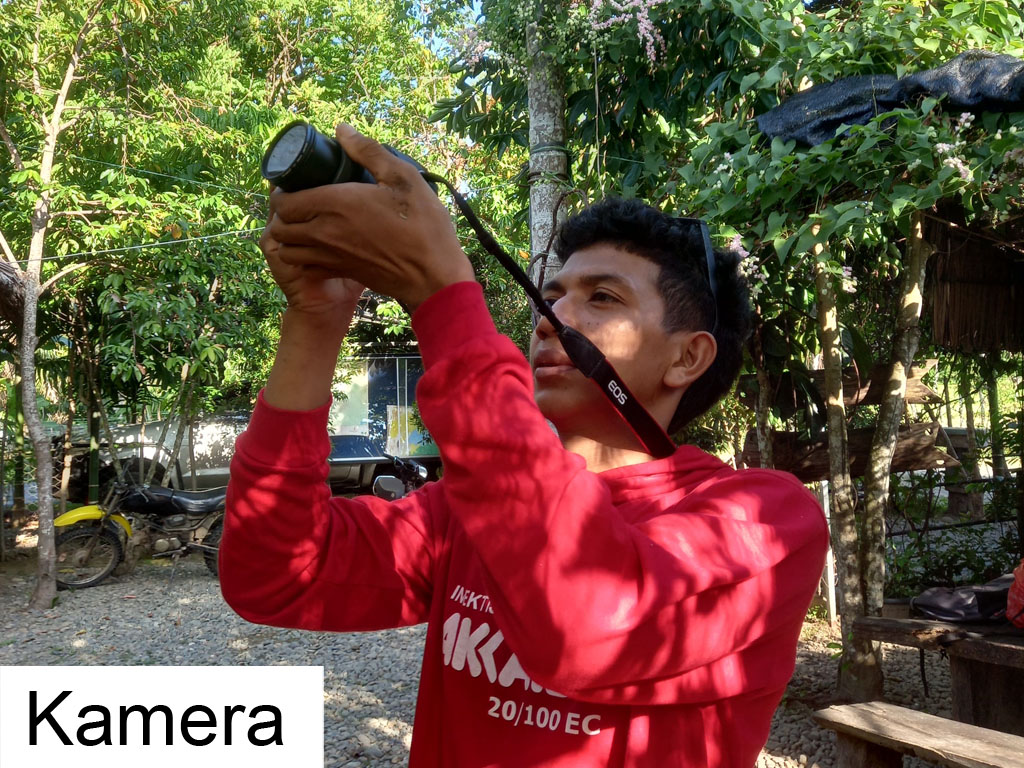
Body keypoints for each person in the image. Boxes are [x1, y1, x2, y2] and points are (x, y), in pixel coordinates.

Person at [220, 124, 830, 768]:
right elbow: (274, 573)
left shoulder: (765, 519)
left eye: (601, 297)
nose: (551, 318)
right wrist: (316, 319)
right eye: (553, 293)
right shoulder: (468, 512)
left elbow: (586, 621)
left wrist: (441, 294)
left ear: (687, 357)